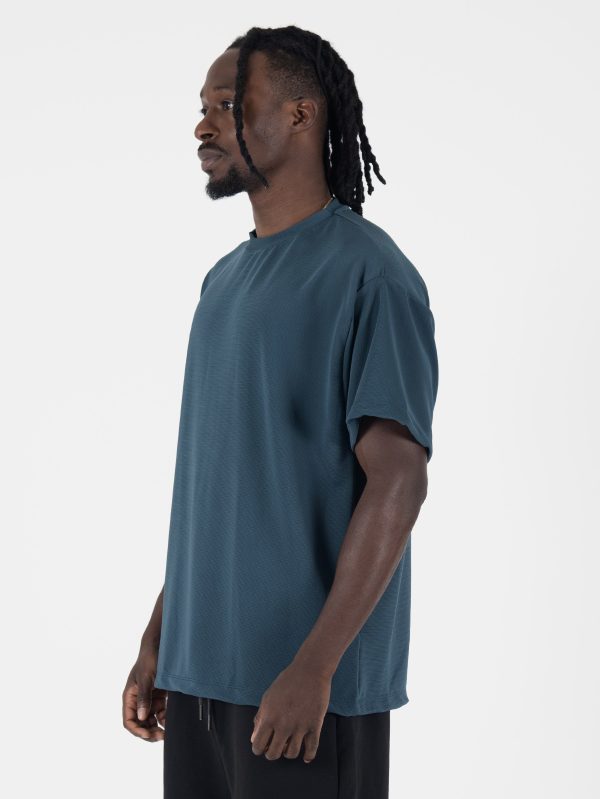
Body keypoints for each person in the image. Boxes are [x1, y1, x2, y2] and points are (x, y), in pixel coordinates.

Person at [122, 24, 439, 799]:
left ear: (301, 114)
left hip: (301, 693)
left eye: (227, 105)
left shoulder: (371, 274)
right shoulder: (222, 282)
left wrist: (316, 666)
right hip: (199, 681)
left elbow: (398, 482)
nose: (203, 126)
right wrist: (162, 634)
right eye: (201, 107)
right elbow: (219, 487)